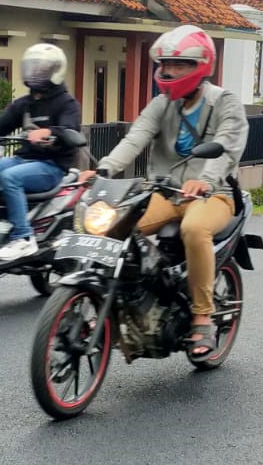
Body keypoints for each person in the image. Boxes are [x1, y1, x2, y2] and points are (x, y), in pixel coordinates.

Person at [81, 25, 248, 360]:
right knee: (112, 224)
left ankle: (201, 318)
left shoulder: (224, 103)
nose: (169, 71)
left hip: (212, 196)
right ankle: (119, 295)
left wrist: (206, 180)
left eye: (180, 64)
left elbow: (228, 147)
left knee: (194, 229)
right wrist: (104, 169)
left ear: (201, 66)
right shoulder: (161, 105)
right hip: (166, 192)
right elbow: (135, 137)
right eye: (164, 64)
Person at [0, 42, 83, 263]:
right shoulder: (24, 103)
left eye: (41, 69)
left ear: (56, 71)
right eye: (32, 67)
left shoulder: (68, 104)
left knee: (10, 178)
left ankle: (23, 238)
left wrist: (49, 131)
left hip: (52, 167)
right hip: (22, 160)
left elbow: (69, 130)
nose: (35, 73)